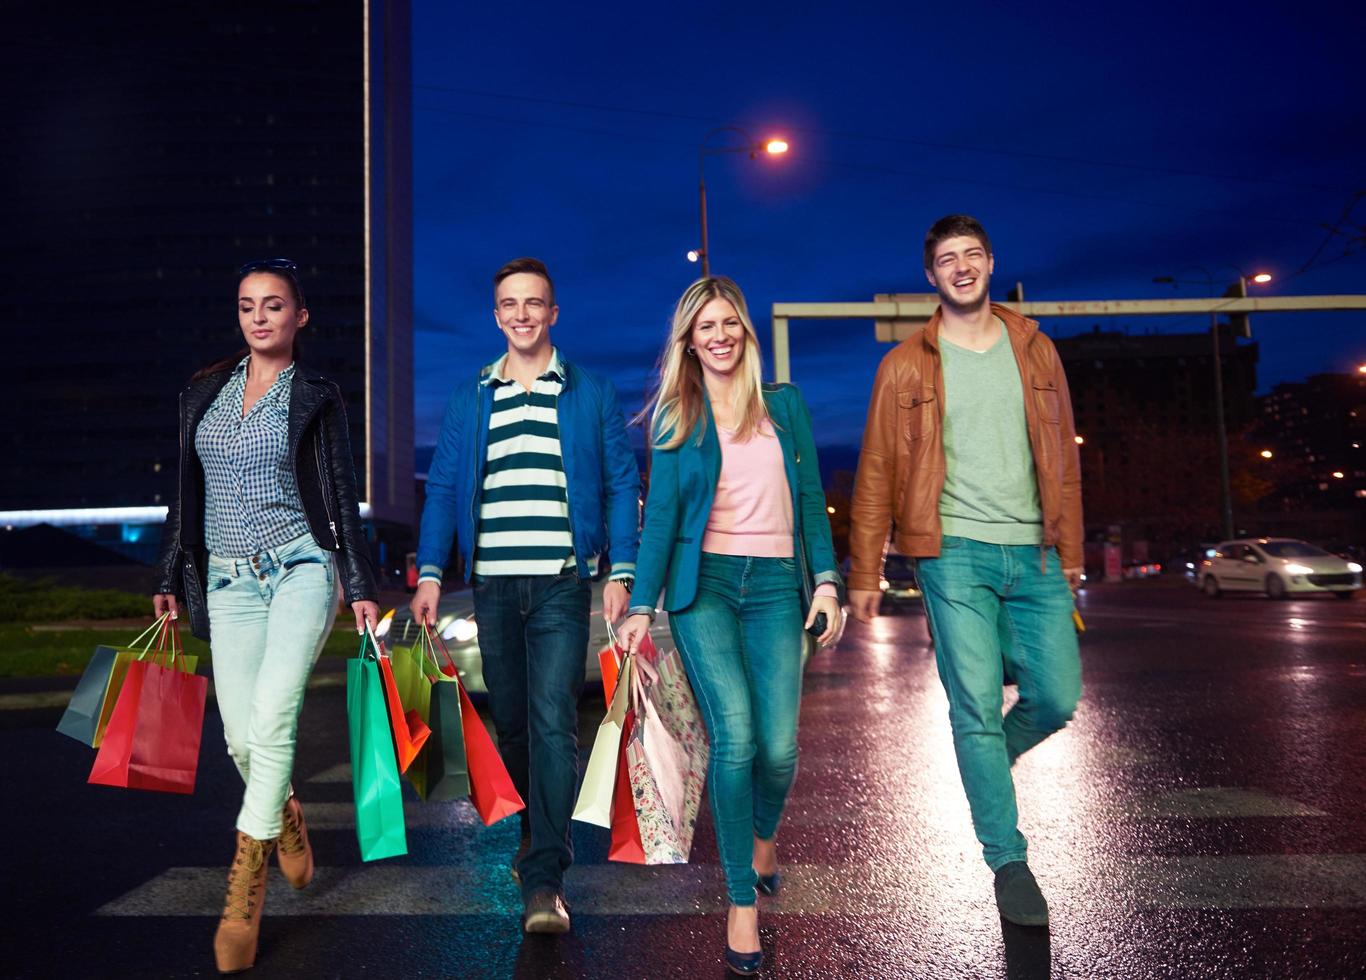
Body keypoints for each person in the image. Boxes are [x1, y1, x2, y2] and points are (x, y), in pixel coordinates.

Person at [846, 214, 1083, 927]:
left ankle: (984, 769)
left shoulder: (1035, 349)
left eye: (972, 255)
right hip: (951, 551)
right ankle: (1009, 862)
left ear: (990, 263)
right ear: (931, 275)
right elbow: (878, 469)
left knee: (1057, 696)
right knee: (975, 706)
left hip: (1035, 548)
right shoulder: (906, 364)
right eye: (946, 259)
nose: (961, 267)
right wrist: (865, 570)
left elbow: (1064, 462)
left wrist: (1070, 553)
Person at [152, 258, 380, 973]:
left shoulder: (316, 394)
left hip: (301, 569)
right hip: (225, 580)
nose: (260, 317)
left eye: (274, 306)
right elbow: (184, 496)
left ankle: (244, 893)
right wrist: (169, 575)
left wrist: (360, 578)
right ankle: (283, 816)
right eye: (248, 305)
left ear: (299, 317)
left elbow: (342, 493)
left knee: (275, 714)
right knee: (242, 739)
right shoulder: (203, 392)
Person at [618, 276, 842, 976]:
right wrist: (639, 608)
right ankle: (741, 898)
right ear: (687, 340)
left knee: (779, 748)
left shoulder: (784, 406)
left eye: (729, 324)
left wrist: (827, 581)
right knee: (737, 737)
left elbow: (810, 501)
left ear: (744, 332)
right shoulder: (676, 419)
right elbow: (659, 525)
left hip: (777, 589)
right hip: (704, 591)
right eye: (703, 327)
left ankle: (764, 835)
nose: (718, 336)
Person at [410, 257, 640, 934]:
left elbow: (623, 484)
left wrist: (620, 571)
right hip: (493, 584)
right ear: (496, 315)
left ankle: (545, 874)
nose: (521, 314)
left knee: (552, 722)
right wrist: (429, 571)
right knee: (511, 723)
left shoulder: (590, 393)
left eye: (534, 303)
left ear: (553, 313)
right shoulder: (472, 396)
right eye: (509, 304)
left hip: (563, 583)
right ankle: (534, 839)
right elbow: (445, 488)